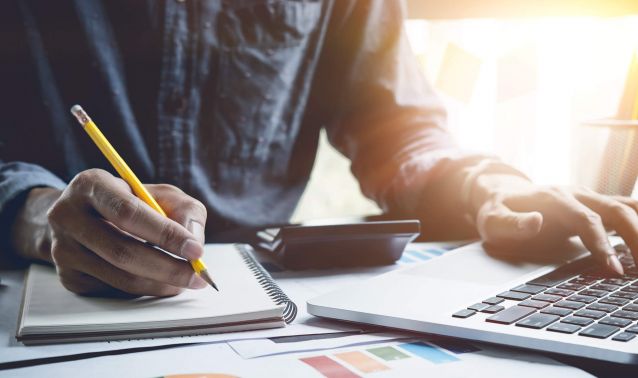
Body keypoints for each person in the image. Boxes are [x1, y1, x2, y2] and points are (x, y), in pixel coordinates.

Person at [1, 0, 636, 298]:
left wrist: (484, 187)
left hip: (266, 301)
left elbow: (394, 125)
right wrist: (35, 210)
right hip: (35, 291)